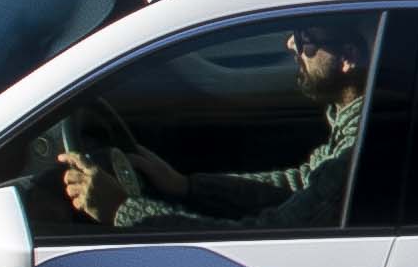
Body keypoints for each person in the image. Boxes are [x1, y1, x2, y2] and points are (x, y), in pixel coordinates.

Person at [52, 25, 370, 234]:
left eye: (306, 39)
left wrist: (122, 210)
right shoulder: (354, 119)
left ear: (348, 59)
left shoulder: (360, 147)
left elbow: (262, 238)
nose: (291, 44)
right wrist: (186, 187)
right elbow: (302, 184)